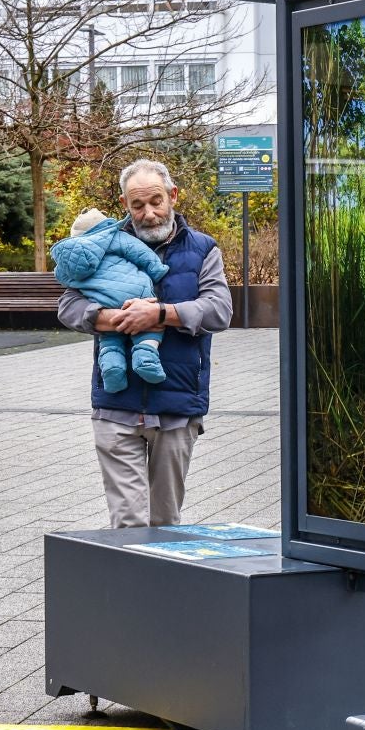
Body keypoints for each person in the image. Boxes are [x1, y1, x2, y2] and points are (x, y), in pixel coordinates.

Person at [56, 159, 232, 527]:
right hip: (116, 404)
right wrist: (108, 318)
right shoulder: (100, 242)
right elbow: (68, 305)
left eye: (156, 201)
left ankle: (165, 587)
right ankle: (129, 586)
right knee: (128, 525)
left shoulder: (202, 249)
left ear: (173, 196)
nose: (148, 214)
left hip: (177, 404)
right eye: (137, 205)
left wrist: (160, 315)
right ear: (124, 204)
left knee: (165, 522)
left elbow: (219, 311)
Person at [50, 205, 168, 393]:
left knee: (110, 338)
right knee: (150, 330)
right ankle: (146, 356)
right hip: (136, 294)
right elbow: (139, 252)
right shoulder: (117, 237)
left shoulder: (71, 259)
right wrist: (157, 269)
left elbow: (65, 280)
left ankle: (112, 369)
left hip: (102, 300)